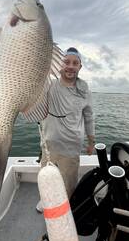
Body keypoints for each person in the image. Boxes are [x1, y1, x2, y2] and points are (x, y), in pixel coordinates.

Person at [36, 47, 95, 212]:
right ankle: (47, 201)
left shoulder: (84, 91)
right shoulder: (48, 84)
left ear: (80, 67)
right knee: (47, 177)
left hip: (71, 147)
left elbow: (89, 117)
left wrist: (91, 142)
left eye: (75, 63)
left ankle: (66, 206)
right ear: (59, 64)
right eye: (66, 62)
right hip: (48, 145)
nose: (70, 66)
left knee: (69, 181)